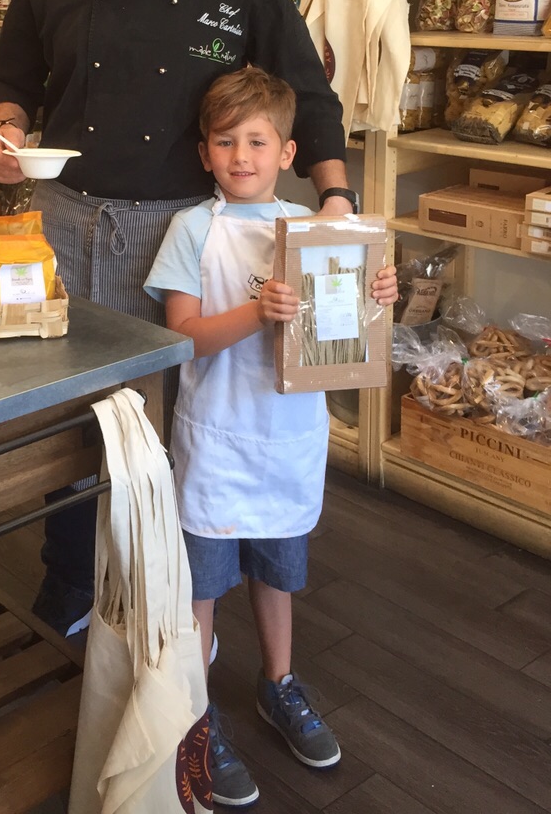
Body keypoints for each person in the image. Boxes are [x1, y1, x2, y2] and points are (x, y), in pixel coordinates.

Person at [0, 0, 356, 635]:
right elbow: (13, 77)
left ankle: (169, 607)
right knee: (67, 419)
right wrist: (6, 131)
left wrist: (335, 199)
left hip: (178, 233)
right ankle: (72, 583)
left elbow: (306, 89)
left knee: (172, 431)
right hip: (63, 221)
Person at [145, 67, 397, 807]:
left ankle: (278, 683)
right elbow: (183, 337)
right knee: (203, 585)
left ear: (288, 153)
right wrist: (257, 313)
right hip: (216, 438)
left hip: (289, 438)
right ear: (205, 153)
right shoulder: (193, 229)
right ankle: (195, 715)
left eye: (257, 142)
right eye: (225, 142)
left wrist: (376, 293)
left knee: (278, 570)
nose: (241, 156)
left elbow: (348, 331)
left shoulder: (318, 232)